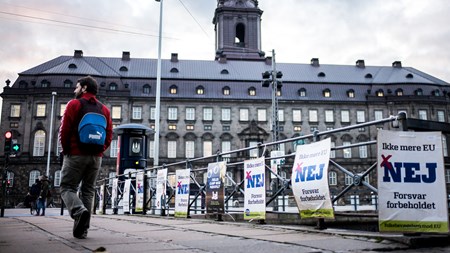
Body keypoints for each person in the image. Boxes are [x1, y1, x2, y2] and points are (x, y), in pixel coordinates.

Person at [59, 76, 113, 239]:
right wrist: (101, 150)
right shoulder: (105, 109)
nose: (74, 90)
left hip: (76, 153)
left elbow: (64, 130)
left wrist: (66, 150)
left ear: (83, 88)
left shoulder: (74, 104)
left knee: (67, 187)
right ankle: (82, 229)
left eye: (76, 87)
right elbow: (109, 134)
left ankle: (78, 211)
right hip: (96, 157)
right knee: (88, 191)